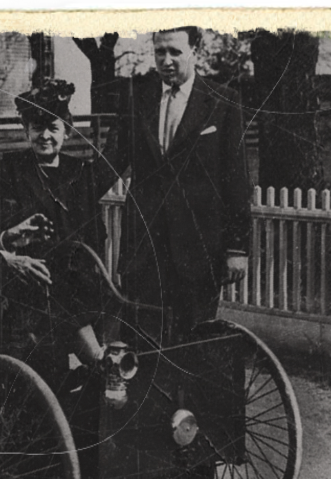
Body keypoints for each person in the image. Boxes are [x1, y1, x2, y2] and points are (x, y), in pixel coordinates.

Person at [97, 27, 252, 340]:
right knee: (140, 341)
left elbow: (236, 179)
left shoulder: (223, 102)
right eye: (160, 52)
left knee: (192, 345)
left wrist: (237, 247)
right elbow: (111, 161)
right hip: (144, 248)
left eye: (175, 52)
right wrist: (63, 194)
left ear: (195, 50)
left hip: (198, 250)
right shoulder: (137, 99)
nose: (166, 61)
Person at [0, 79, 107, 364]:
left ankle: (102, 368)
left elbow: (95, 233)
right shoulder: (8, 167)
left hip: (75, 278)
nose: (45, 136)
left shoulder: (80, 170)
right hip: (28, 277)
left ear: (66, 131)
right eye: (37, 128)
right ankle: (99, 362)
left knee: (107, 299)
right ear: (26, 129)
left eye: (53, 128)